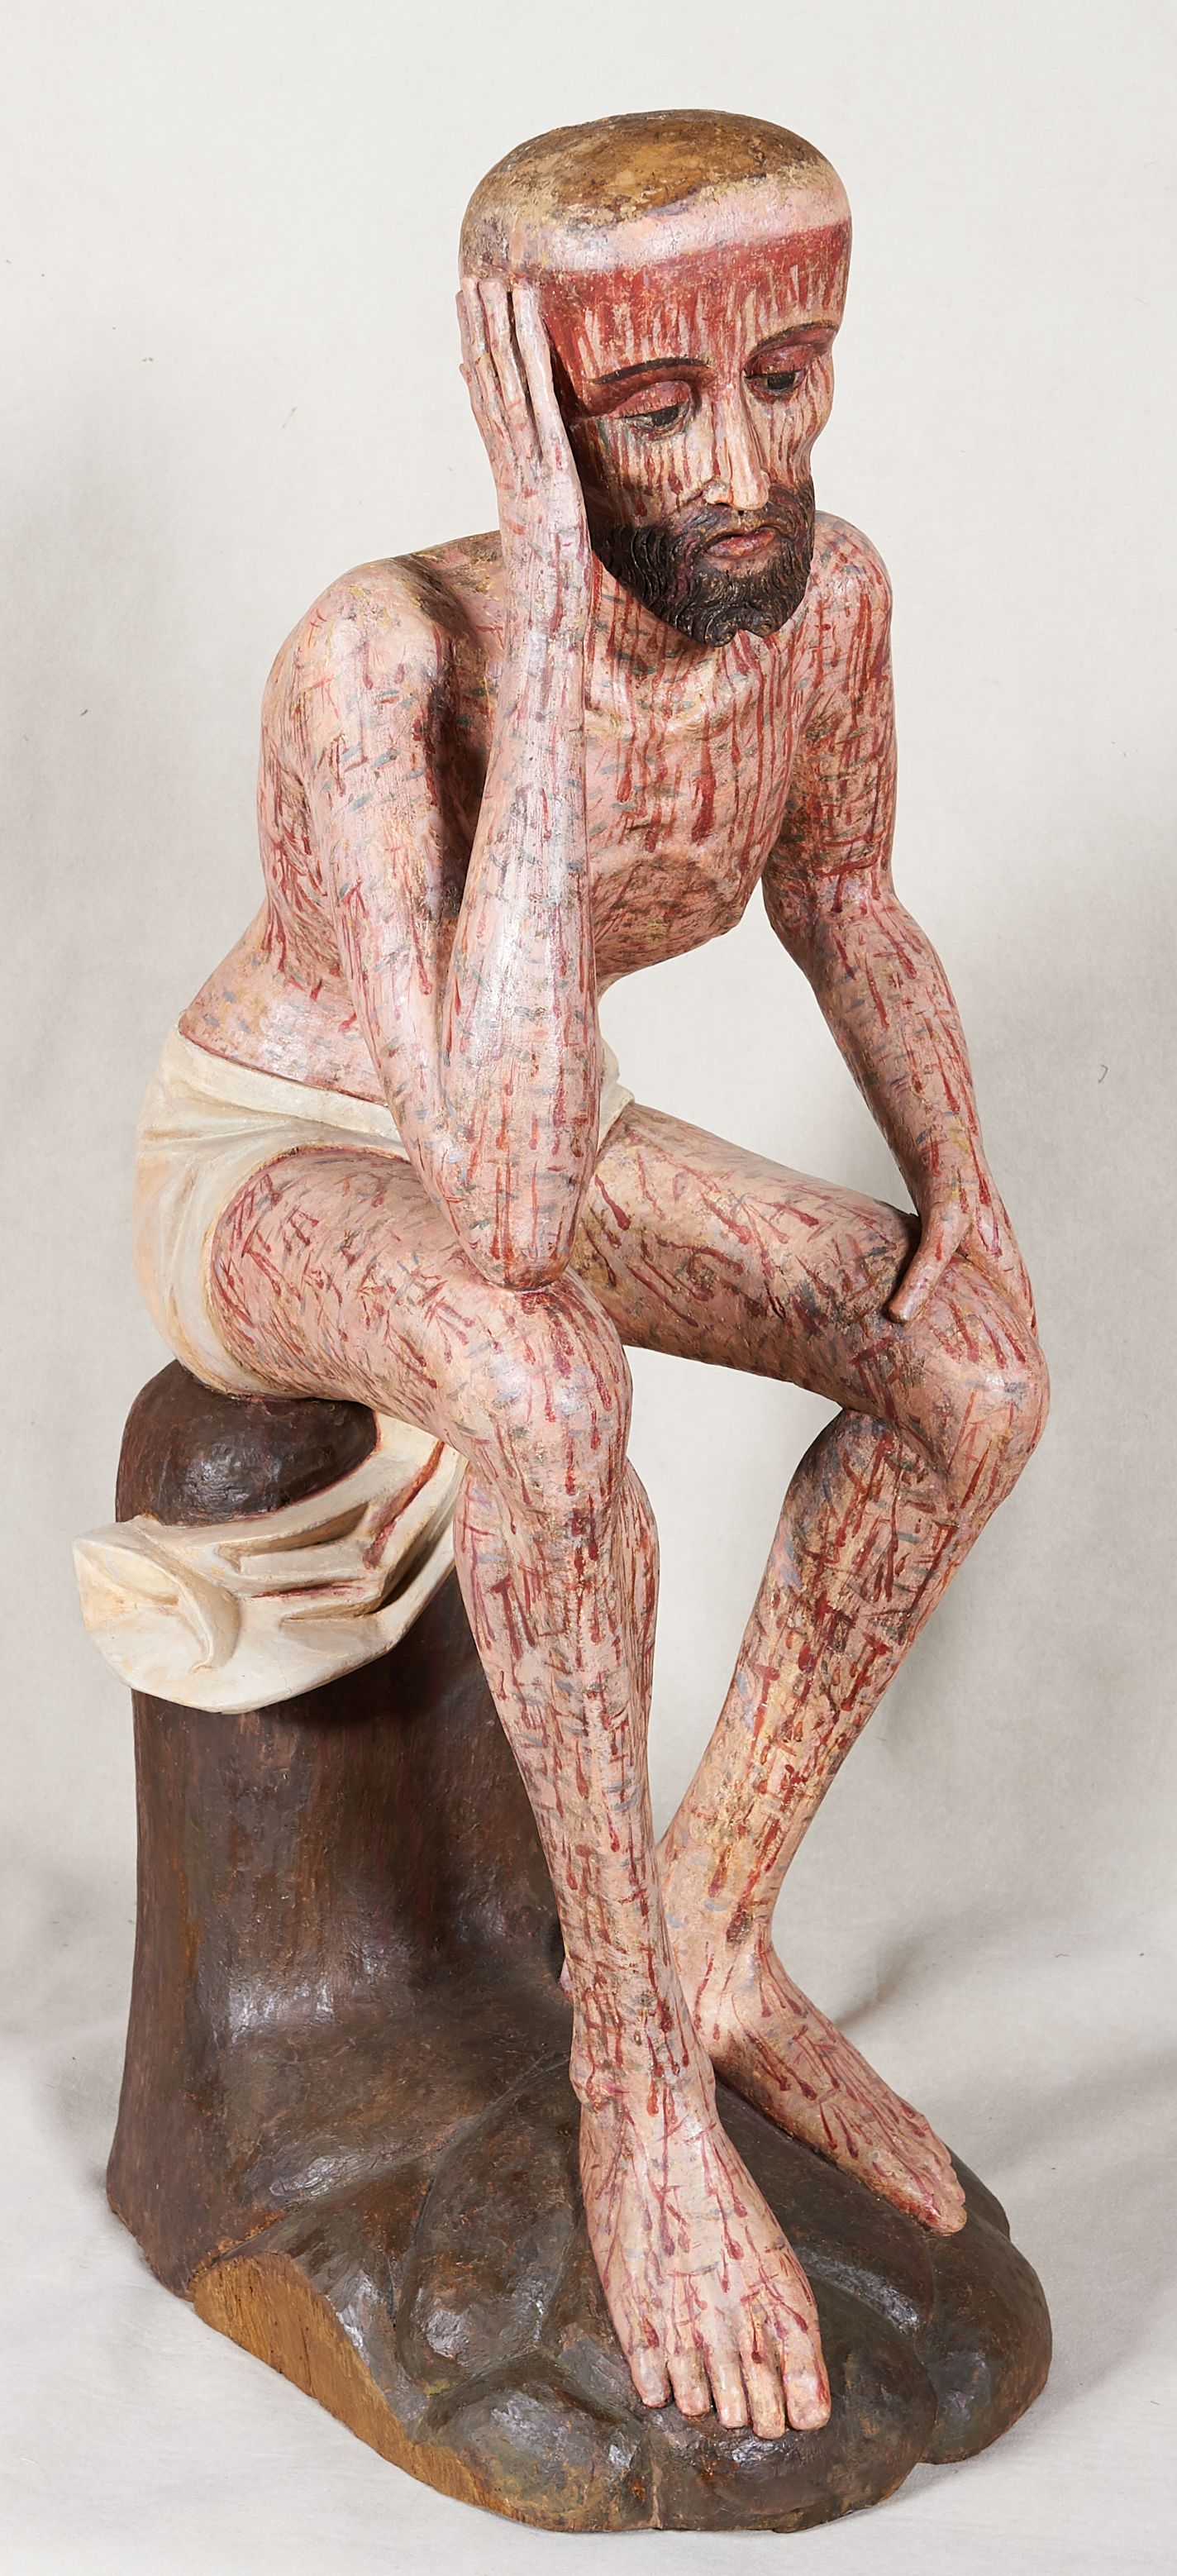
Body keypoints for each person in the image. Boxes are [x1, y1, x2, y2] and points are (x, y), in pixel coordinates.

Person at [135, 110, 1048, 2440]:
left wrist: (958, 1178)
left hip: (540, 1117)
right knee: (541, 1378)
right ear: (532, 410)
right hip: (292, 1155)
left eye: (787, 375)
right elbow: (506, 1205)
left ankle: (716, 1926)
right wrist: (547, 625)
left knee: (970, 1374)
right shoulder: (381, 663)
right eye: (652, 409)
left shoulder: (825, 603)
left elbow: (846, 900)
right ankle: (632, 2077)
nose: (742, 465)